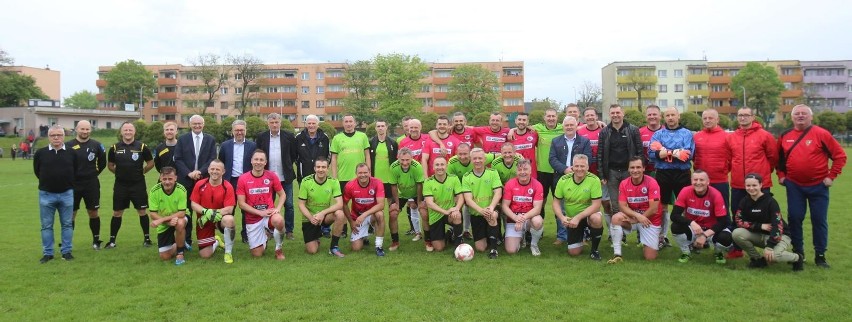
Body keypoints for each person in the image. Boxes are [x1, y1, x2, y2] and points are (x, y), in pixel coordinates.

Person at [777, 104, 847, 268]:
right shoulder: (785, 136)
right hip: (794, 185)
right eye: (797, 114)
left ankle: (820, 255)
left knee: (819, 220)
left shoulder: (822, 134)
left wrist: (831, 176)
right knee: (794, 218)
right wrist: (781, 176)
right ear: (792, 117)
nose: (800, 116)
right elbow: (779, 160)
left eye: (804, 113)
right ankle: (798, 253)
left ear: (811, 117)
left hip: (818, 186)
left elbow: (840, 156)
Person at [725, 107, 777, 259]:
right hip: (738, 185)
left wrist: (764, 173)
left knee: (765, 217)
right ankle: (737, 249)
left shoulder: (765, 136)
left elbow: (773, 157)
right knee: (737, 215)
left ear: (753, 117)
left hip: (760, 185)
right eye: (740, 115)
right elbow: (729, 159)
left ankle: (770, 248)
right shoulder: (732, 137)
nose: (743, 118)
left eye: (746, 115)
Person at [733, 173, 804, 270]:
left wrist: (770, 247)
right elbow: (738, 220)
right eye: (748, 186)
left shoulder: (770, 202)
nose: (751, 188)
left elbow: (778, 226)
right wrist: (760, 226)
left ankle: (797, 257)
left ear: (761, 185)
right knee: (737, 233)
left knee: (774, 257)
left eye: (754, 185)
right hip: (759, 234)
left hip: (780, 235)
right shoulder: (744, 201)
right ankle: (757, 259)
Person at [648, 107, 694, 248]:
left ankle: (690, 238)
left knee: (687, 206)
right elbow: (651, 154)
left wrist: (663, 151)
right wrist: (675, 153)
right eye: (667, 115)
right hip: (663, 173)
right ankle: (662, 237)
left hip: (682, 173)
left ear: (678, 116)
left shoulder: (687, 134)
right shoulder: (658, 134)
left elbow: (687, 156)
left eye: (673, 115)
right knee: (662, 206)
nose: (670, 118)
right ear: (664, 117)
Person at [597, 104, 643, 241]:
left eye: (618, 112)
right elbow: (600, 155)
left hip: (630, 173)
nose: (615, 115)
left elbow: (640, 152)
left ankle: (642, 234)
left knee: (635, 204)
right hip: (611, 173)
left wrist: (639, 171)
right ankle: (619, 235)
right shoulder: (604, 132)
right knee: (615, 205)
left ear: (623, 114)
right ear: (609, 115)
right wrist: (602, 174)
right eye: (613, 113)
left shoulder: (633, 130)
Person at [106, 122, 155, 249]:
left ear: (134, 132)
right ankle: (112, 241)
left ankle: (147, 239)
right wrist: (119, 173)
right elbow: (110, 165)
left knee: (142, 211)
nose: (128, 132)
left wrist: (142, 171)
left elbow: (151, 163)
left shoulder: (142, 147)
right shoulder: (115, 148)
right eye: (125, 130)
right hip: (120, 185)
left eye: (130, 130)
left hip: (138, 184)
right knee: (117, 212)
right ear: (121, 132)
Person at [34, 125, 77, 263]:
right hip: (46, 194)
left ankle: (66, 252)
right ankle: (48, 253)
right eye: (53, 135)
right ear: (49, 137)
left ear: (64, 136)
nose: (56, 137)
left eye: (59, 135)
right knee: (46, 225)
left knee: (67, 224)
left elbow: (75, 170)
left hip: (66, 194)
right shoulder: (41, 153)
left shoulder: (72, 153)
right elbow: (37, 171)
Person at [669, 170, 732, 265]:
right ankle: (686, 252)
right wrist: (692, 223)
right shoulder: (685, 191)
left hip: (711, 230)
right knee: (675, 226)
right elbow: (674, 215)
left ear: (708, 182)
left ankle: (718, 252)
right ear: (691, 181)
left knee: (726, 238)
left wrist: (705, 235)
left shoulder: (716, 194)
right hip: (695, 229)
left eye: (702, 180)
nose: (698, 182)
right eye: (695, 180)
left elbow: (723, 221)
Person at [173, 115, 217, 249]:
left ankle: (205, 238)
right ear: (190, 124)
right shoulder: (182, 139)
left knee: (203, 210)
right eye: (194, 124)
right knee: (186, 211)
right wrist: (189, 173)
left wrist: (200, 172)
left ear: (203, 124)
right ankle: (186, 240)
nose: (197, 126)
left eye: (199, 123)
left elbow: (212, 158)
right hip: (186, 180)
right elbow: (178, 159)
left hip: (203, 180)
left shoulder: (210, 139)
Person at [608, 156, 663, 264]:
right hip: (635, 218)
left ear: (643, 168)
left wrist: (639, 219)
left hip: (650, 220)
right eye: (632, 168)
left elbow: (653, 208)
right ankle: (617, 254)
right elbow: (622, 206)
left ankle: (649, 241)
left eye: (638, 167)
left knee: (650, 257)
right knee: (616, 218)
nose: (635, 170)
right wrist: (637, 217)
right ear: (628, 169)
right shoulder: (624, 183)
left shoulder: (652, 182)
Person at [548, 115, 592, 245]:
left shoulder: (584, 141)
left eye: (571, 125)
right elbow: (552, 159)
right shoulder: (556, 141)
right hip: (561, 177)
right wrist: (565, 169)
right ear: (563, 127)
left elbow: (588, 157)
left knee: (580, 207)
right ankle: (562, 236)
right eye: (566, 125)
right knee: (561, 208)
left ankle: (582, 236)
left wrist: (577, 169)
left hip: (580, 177)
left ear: (576, 126)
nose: (569, 127)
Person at [236, 149, 287, 260]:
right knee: (257, 254)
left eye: (261, 160)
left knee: (279, 220)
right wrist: (260, 212)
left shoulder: (272, 176)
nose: (258, 162)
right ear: (251, 161)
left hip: (269, 215)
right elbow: (241, 204)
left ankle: (278, 249)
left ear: (265, 162)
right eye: (256, 159)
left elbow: (282, 194)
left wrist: (277, 208)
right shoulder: (243, 178)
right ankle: (267, 235)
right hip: (253, 218)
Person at [255, 113, 298, 240]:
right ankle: (269, 229)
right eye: (272, 122)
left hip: (285, 177)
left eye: (276, 122)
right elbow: (258, 154)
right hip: (267, 178)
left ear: (280, 123)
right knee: (267, 205)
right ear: (268, 123)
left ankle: (289, 230)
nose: (274, 125)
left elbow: (293, 154)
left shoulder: (289, 136)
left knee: (289, 204)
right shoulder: (261, 137)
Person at [553, 154, 604, 260]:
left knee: (597, 218)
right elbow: (556, 202)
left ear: (588, 167)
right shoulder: (563, 180)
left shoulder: (594, 180)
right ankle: (584, 233)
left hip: (588, 216)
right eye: (576, 166)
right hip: (572, 219)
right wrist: (562, 218)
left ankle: (594, 251)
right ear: (572, 167)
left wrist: (578, 217)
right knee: (574, 252)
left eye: (582, 166)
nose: (579, 169)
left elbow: (596, 205)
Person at [66, 120, 107, 250]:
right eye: (82, 129)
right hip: (73, 185)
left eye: (87, 129)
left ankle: (96, 240)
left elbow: (102, 163)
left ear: (90, 130)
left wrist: (92, 174)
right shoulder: (68, 145)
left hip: (91, 184)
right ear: (76, 129)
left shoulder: (97, 145)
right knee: (71, 213)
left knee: (93, 212)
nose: (85, 132)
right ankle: (68, 242)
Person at [298, 157, 347, 257]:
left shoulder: (333, 182)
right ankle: (316, 237)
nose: (321, 169)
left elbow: (339, 204)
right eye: (318, 167)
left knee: (340, 214)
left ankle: (334, 247)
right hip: (310, 218)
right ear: (314, 168)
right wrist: (311, 218)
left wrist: (322, 213)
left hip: (325, 217)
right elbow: (301, 204)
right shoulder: (306, 181)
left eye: (324, 167)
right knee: (312, 251)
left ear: (327, 168)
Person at [189, 160, 236, 263]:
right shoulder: (199, 184)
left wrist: (213, 213)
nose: (215, 171)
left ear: (223, 171)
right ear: (208, 170)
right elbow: (193, 204)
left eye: (218, 169)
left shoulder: (227, 186)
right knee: (205, 255)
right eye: (212, 169)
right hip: (204, 221)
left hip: (220, 219)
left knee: (230, 219)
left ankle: (228, 252)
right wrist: (206, 212)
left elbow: (229, 209)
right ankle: (216, 241)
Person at [370, 119, 410, 237]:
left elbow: (398, 161)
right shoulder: (371, 142)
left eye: (383, 125)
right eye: (378, 126)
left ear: (386, 127)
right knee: (376, 210)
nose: (381, 128)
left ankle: (393, 234)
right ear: (376, 128)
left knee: (392, 210)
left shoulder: (393, 143)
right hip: (376, 181)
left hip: (390, 181)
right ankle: (374, 229)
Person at [218, 120, 257, 244]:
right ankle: (228, 234)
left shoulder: (252, 145)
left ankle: (246, 235)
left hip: (247, 181)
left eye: (241, 130)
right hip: (230, 181)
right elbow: (221, 163)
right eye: (237, 130)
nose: (239, 132)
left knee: (247, 210)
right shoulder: (225, 145)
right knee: (229, 209)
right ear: (232, 131)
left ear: (246, 131)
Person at [461, 148, 503, 259]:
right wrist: (481, 210)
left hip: (491, 209)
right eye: (475, 158)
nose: (477, 161)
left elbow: (498, 193)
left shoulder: (492, 173)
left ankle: (494, 249)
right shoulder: (466, 177)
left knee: (492, 215)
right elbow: (468, 199)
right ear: (471, 160)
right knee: (480, 248)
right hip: (477, 214)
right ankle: (493, 236)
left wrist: (491, 207)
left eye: (480, 158)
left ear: (484, 159)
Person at [501, 159, 544, 255]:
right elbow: (504, 206)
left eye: (525, 169)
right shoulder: (510, 184)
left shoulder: (537, 185)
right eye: (520, 170)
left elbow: (537, 209)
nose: (522, 172)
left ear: (530, 171)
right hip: (513, 218)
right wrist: (515, 218)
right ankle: (522, 237)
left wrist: (522, 218)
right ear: (516, 171)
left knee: (537, 221)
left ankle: (533, 245)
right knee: (511, 250)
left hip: (529, 218)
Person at [343, 163, 387, 256]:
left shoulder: (377, 182)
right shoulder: (350, 185)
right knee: (356, 248)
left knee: (380, 214)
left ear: (369, 172)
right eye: (360, 173)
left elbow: (381, 205)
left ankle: (378, 246)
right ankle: (365, 235)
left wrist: (364, 215)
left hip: (371, 215)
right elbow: (344, 204)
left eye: (365, 172)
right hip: (357, 218)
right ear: (356, 173)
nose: (363, 175)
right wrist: (351, 222)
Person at [147, 167, 188, 265]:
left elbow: (182, 213)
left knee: (180, 223)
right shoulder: (154, 191)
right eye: (164, 179)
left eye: (170, 179)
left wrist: (161, 220)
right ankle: (181, 243)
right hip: (165, 223)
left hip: (178, 218)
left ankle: (180, 253)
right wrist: (167, 222)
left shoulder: (181, 189)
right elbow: (152, 213)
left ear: (175, 178)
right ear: (160, 178)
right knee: (165, 257)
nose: (167, 182)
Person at [388, 148, 427, 250]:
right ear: (398, 158)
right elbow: (393, 186)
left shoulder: (417, 166)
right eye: (402, 160)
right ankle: (395, 242)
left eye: (407, 160)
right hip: (401, 194)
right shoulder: (393, 167)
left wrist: (418, 202)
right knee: (392, 213)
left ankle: (428, 241)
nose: (405, 163)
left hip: (415, 192)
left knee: (424, 212)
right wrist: (396, 203)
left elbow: (419, 185)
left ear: (412, 158)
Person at [423, 156, 464, 253]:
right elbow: (429, 203)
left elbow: (460, 197)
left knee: (457, 215)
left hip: (450, 213)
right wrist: (445, 212)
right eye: (437, 165)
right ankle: (450, 233)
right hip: (436, 215)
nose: (440, 167)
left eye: (442, 164)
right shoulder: (428, 182)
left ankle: (458, 246)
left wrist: (456, 208)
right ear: (433, 167)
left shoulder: (453, 179)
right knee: (439, 248)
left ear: (446, 166)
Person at [693, 109, 730, 212]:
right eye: (705, 118)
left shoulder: (726, 136)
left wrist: (722, 169)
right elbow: (693, 156)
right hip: (700, 181)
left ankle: (724, 228)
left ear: (717, 119)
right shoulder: (697, 136)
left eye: (710, 118)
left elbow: (731, 158)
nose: (707, 120)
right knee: (701, 209)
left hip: (719, 180)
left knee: (722, 209)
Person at [294, 114, 331, 182]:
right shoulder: (298, 138)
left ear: (317, 125)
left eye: (313, 123)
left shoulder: (325, 138)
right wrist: (303, 164)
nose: (311, 125)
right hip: (303, 176)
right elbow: (295, 156)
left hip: (320, 176)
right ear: (306, 125)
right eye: (309, 123)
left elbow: (328, 156)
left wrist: (322, 167)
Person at [509, 112, 538, 177]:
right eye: (519, 119)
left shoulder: (534, 134)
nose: (521, 122)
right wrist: (512, 130)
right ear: (515, 121)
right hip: (516, 173)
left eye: (524, 120)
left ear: (527, 122)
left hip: (531, 173)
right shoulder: (510, 136)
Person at [639, 105, 663, 175]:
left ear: (660, 116)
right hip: (645, 171)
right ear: (646, 117)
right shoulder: (639, 132)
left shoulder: (666, 131)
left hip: (663, 170)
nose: (652, 117)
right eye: (649, 115)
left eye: (654, 114)